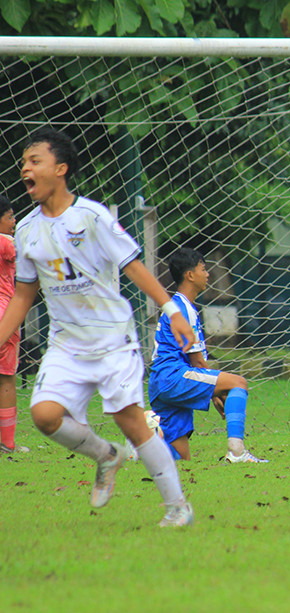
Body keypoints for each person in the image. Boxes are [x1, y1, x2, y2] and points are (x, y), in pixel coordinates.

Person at [0, 127, 195, 526]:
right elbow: (22, 295)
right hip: (67, 345)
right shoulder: (26, 230)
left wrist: (171, 311)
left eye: (34, 161)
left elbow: (134, 266)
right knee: (45, 416)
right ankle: (107, 455)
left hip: (111, 341)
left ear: (61, 168)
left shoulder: (91, 217)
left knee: (131, 420)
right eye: (23, 163)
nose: (25, 169)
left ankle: (177, 506)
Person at [148, 247, 267, 463]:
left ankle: (142, 446)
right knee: (238, 383)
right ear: (190, 275)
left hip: (160, 382)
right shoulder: (184, 310)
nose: (208, 274)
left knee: (180, 457)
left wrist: (213, 391)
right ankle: (237, 452)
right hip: (174, 376)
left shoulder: (180, 306)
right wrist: (217, 393)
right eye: (204, 269)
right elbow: (198, 361)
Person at [0, 196, 19, 453]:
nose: (14, 222)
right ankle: (7, 442)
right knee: (5, 378)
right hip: (5, 315)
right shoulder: (7, 243)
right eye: (10, 216)